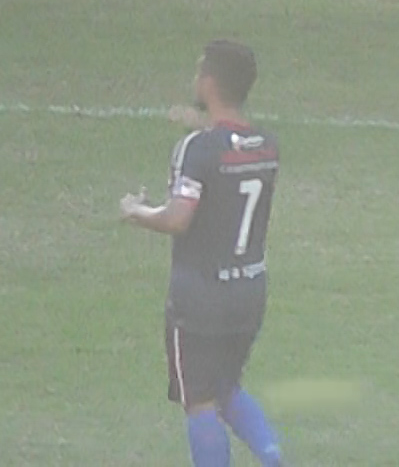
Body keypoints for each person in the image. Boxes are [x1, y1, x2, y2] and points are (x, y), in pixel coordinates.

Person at [121, 41, 285, 467]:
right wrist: (199, 122)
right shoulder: (268, 146)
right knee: (227, 387)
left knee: (199, 401)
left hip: (200, 299)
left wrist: (137, 213)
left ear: (209, 81)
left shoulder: (197, 149)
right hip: (249, 291)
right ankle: (274, 459)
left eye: (199, 71)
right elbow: (232, 144)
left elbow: (178, 218)